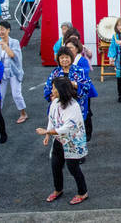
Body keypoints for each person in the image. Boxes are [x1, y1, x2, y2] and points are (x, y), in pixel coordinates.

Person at [36, 76, 88, 205]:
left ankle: (83, 192)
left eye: (54, 88)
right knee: (55, 166)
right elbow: (51, 119)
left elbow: (66, 128)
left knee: (73, 168)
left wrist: (46, 132)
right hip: (59, 141)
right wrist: (48, 135)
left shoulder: (73, 106)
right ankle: (58, 189)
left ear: (61, 90)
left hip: (72, 142)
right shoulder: (55, 102)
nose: (52, 90)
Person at [44, 47, 91, 141]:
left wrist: (74, 84)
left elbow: (87, 86)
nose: (64, 60)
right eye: (62, 58)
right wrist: (52, 97)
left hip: (75, 105)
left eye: (67, 57)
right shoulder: (55, 72)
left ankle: (76, 150)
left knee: (74, 130)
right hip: (60, 106)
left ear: (71, 58)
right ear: (58, 59)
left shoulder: (79, 71)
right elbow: (47, 89)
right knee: (61, 131)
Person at [0, 21, 27, 124]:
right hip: (2, 73)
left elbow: (13, 55)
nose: (0, 32)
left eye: (3, 29)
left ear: (8, 30)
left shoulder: (14, 42)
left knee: (16, 94)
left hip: (14, 72)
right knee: (0, 95)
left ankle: (23, 113)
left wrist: (4, 45)